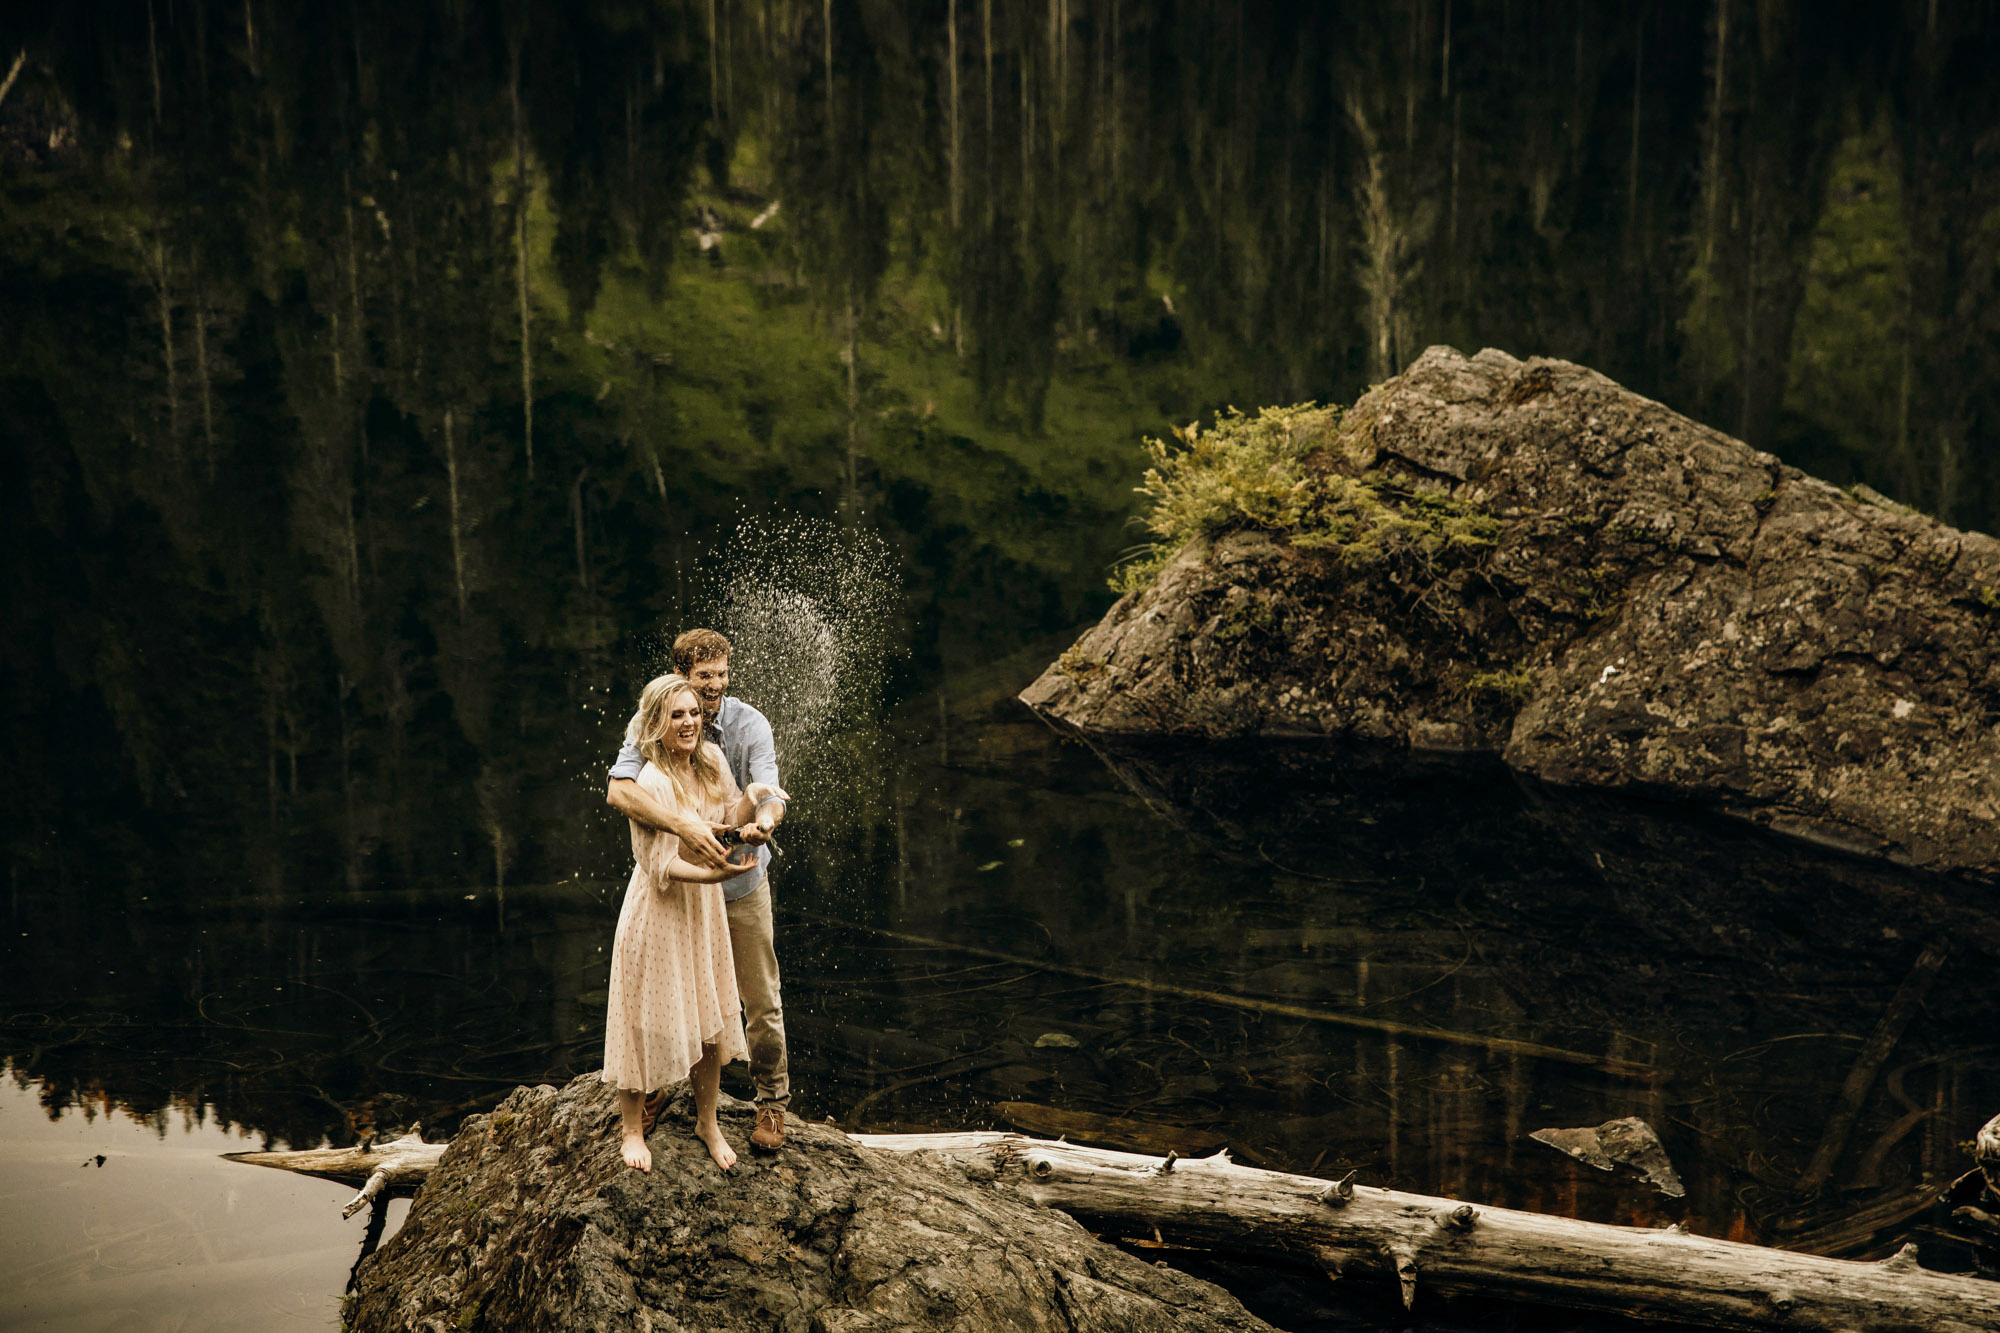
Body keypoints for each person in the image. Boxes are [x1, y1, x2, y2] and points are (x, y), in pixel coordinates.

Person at [606, 628, 793, 1152]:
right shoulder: (652, 723)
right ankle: (657, 1092)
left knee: (758, 1001)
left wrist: (763, 815)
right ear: (679, 678)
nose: (712, 688)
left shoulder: (745, 725)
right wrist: (685, 828)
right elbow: (620, 792)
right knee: (675, 997)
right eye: (702, 677)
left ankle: (772, 1104)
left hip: (741, 885)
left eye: (721, 675)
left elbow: (760, 792)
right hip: (682, 895)